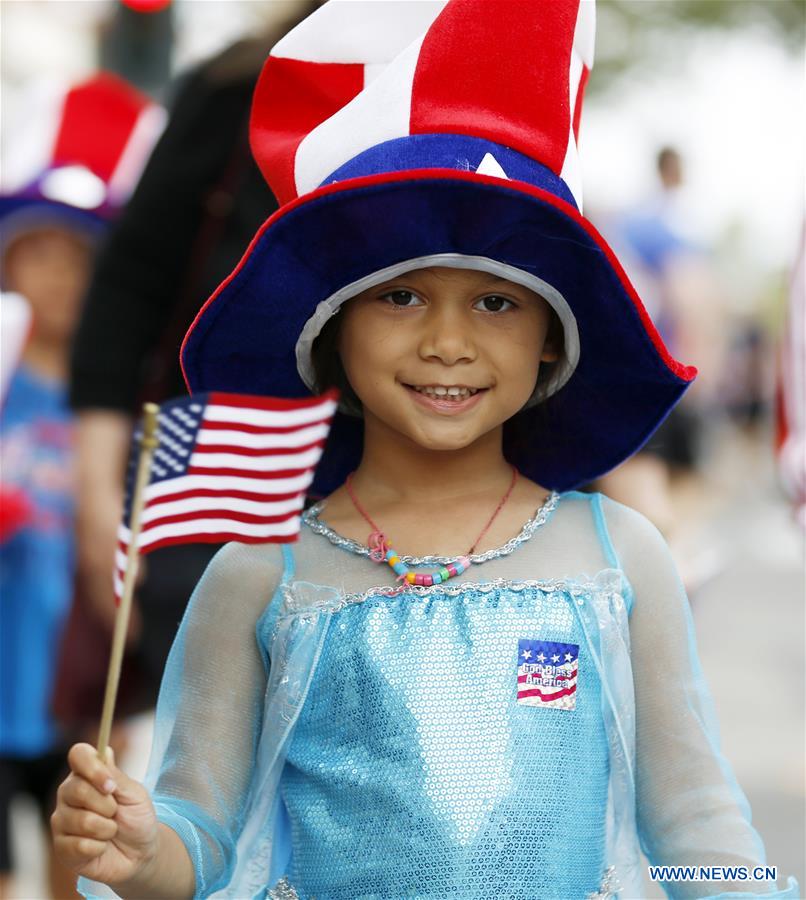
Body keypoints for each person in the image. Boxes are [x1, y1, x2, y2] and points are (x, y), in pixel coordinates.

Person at [51, 3, 799, 899]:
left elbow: (695, 823)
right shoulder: (258, 573)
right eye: (401, 297)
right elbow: (200, 832)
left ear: (554, 338)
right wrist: (143, 852)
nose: (448, 342)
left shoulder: (619, 557)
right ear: (330, 326)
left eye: (496, 302)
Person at [0, 74, 161, 899]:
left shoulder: (129, 410)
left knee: (78, 871)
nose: (62, 277)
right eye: (41, 253)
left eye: (81, 258)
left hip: (81, 685)